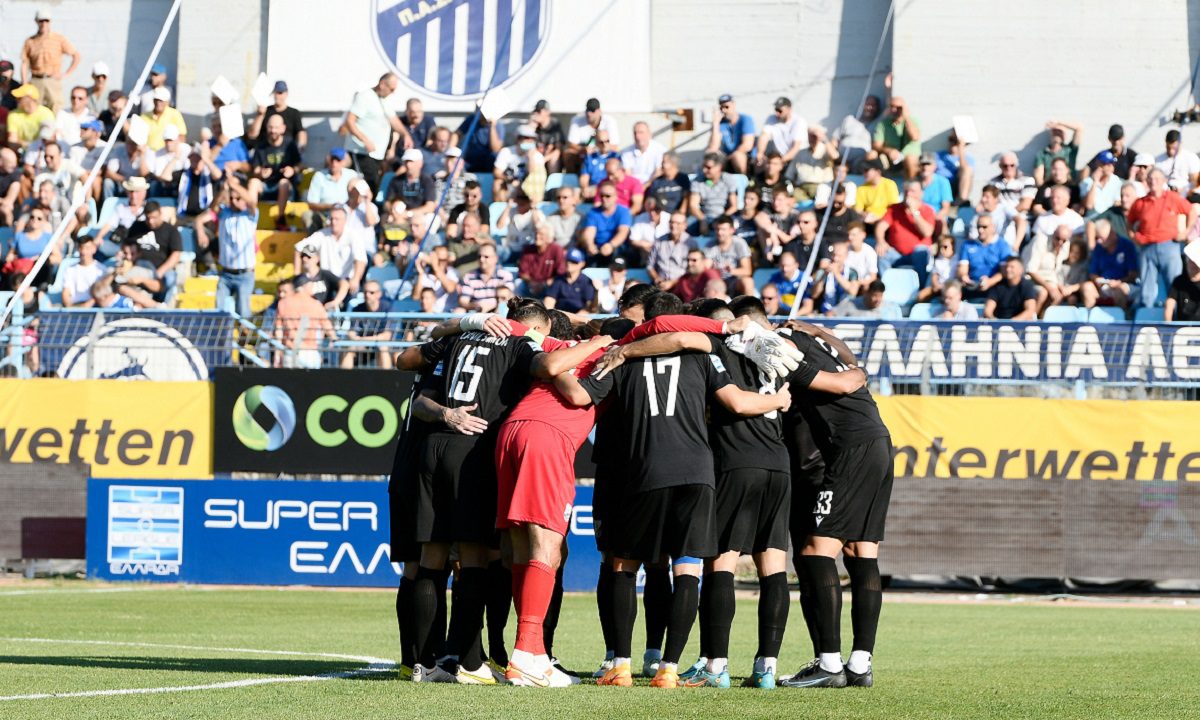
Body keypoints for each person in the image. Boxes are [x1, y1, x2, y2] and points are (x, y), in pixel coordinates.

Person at [552, 296, 793, 688]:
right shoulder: (702, 354)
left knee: (623, 565)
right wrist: (778, 400)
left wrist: (555, 368)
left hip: (643, 472)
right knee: (687, 568)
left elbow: (582, 396)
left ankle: (620, 665)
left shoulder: (621, 358)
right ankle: (668, 668)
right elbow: (733, 399)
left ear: (648, 322)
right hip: (697, 473)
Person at [773, 320, 887, 690]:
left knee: (814, 552)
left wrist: (856, 374)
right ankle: (860, 664)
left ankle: (829, 664)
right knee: (861, 551)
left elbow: (843, 383)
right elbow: (850, 366)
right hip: (879, 444)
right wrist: (822, 334)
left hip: (851, 451)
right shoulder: (830, 352)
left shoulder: (798, 364)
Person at [1129, 168, 1192, 308]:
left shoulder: (1173, 198)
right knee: (1147, 287)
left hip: (1169, 245)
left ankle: (1175, 314)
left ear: (1163, 181)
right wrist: (1133, 236)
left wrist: (1186, 231)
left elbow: (1191, 210)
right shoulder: (1140, 202)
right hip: (1147, 247)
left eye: (1157, 179)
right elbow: (1130, 221)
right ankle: (1146, 315)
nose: (1153, 182)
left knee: (1174, 283)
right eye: (1150, 179)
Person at [342, 73, 409, 192]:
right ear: (382, 84)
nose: (393, 92)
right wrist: (365, 140)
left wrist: (406, 135)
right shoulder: (364, 97)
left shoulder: (384, 100)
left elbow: (394, 120)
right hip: (361, 152)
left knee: (373, 186)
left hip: (377, 154)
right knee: (364, 187)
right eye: (391, 89)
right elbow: (350, 121)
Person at [213, 173, 260, 317]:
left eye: (238, 198)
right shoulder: (224, 213)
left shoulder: (250, 214)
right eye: (231, 198)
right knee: (218, 311)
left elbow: (251, 201)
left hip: (244, 274)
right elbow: (213, 207)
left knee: (243, 311)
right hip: (226, 273)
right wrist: (224, 189)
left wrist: (234, 185)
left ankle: (244, 332)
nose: (234, 201)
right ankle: (221, 332)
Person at [875, 180, 936, 285]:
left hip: (917, 254)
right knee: (882, 254)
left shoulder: (927, 210)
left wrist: (914, 212)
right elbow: (880, 227)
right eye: (907, 191)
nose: (908, 194)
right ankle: (886, 288)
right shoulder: (894, 209)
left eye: (912, 191)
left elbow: (927, 232)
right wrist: (881, 241)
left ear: (921, 194)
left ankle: (920, 288)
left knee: (920, 252)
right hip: (896, 253)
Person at [20, 9, 80, 113]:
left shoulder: (58, 39)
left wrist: (65, 74)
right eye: (41, 21)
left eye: (46, 21)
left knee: (56, 109)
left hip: (52, 80)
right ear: (36, 21)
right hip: (36, 80)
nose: (44, 24)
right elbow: (25, 63)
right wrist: (25, 83)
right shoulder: (30, 41)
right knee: (34, 109)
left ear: (50, 22)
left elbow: (76, 56)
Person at [252, 114, 302, 229]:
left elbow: (300, 165)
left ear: (283, 128)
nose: (273, 130)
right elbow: (255, 169)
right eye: (270, 127)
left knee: (283, 183)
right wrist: (261, 173)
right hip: (266, 186)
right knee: (253, 182)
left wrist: (292, 170)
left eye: (276, 127)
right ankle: (251, 217)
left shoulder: (290, 144)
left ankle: (280, 219)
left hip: (286, 188)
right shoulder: (261, 146)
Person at [274, 278, 336, 368]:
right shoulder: (316, 304)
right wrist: (334, 338)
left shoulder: (283, 303)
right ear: (304, 286)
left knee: (289, 377)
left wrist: (277, 354)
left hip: (291, 351)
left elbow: (279, 330)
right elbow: (327, 325)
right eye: (311, 286)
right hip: (311, 353)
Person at [1085, 219, 1139, 310]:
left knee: (1120, 290)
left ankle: (1121, 317)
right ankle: (1091, 317)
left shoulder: (1127, 246)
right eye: (1096, 238)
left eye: (1101, 238)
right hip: (1104, 286)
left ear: (1112, 234)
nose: (1099, 241)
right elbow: (1093, 273)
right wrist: (1098, 281)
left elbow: (1133, 275)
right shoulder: (1098, 248)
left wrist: (1118, 282)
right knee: (1086, 287)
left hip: (1125, 284)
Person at [342, 280, 394, 369]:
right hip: (363, 345)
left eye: (371, 292)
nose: (367, 295)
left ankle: (386, 378)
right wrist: (354, 338)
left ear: (379, 294)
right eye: (365, 292)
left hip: (379, 344)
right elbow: (352, 332)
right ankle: (344, 377)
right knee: (348, 349)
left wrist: (362, 339)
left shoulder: (388, 308)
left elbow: (386, 336)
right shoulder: (357, 309)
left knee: (383, 348)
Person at [957, 214, 1012, 299]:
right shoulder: (967, 245)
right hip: (972, 286)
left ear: (993, 227)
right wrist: (964, 276)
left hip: (995, 288)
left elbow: (1004, 272)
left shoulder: (1003, 245)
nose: (980, 230)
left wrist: (990, 282)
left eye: (984, 227)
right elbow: (962, 268)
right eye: (978, 227)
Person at [580, 181, 633, 264]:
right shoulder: (593, 212)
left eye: (608, 196)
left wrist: (611, 245)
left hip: (617, 247)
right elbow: (589, 232)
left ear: (616, 197)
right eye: (602, 196)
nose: (604, 199)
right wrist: (590, 245)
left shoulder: (623, 212)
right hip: (598, 247)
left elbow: (623, 232)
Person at [305, 148, 358, 226]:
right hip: (325, 216)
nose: (334, 163)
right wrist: (331, 207)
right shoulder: (319, 176)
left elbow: (362, 196)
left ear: (343, 162)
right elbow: (311, 204)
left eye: (338, 160)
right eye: (332, 159)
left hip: (348, 216)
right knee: (308, 216)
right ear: (328, 160)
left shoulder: (352, 175)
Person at [689, 153, 738, 237]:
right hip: (703, 215)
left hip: (724, 215)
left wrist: (720, 220)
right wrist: (703, 219)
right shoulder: (697, 181)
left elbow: (734, 206)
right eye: (703, 166)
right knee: (686, 225)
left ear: (719, 167)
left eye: (708, 167)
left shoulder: (729, 179)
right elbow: (693, 205)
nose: (704, 170)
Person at [249, 80, 307, 151]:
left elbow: (301, 132)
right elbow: (252, 135)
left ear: (286, 94)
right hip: (266, 151)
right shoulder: (265, 111)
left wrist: (300, 148)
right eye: (275, 93)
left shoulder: (294, 113)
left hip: (287, 152)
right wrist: (260, 115)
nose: (277, 96)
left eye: (280, 93)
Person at [872, 95, 921, 179]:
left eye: (898, 108)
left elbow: (915, 137)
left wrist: (906, 117)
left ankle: (911, 184)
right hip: (890, 158)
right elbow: (876, 145)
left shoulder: (913, 121)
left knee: (910, 159)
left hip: (907, 157)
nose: (894, 110)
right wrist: (889, 151)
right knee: (871, 155)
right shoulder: (883, 123)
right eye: (891, 106)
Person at [566, 97, 620, 172]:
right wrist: (583, 150)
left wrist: (597, 150)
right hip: (583, 154)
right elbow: (571, 144)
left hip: (603, 154)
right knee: (568, 154)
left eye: (592, 110)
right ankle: (573, 176)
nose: (589, 113)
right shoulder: (576, 120)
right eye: (587, 110)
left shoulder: (610, 121)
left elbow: (614, 146)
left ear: (599, 111)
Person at [705, 215, 754, 296]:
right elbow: (706, 267)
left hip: (735, 280)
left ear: (732, 230)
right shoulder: (710, 244)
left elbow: (747, 271)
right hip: (717, 281)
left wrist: (731, 271)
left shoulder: (740, 243)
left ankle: (750, 304)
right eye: (717, 229)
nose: (719, 232)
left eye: (723, 229)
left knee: (748, 281)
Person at [831, 94, 880, 173]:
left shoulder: (877, 123)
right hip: (841, 159)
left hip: (861, 161)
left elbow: (889, 109)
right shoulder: (850, 119)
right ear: (862, 105)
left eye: (873, 105)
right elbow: (835, 138)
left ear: (877, 108)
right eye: (867, 104)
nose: (870, 107)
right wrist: (835, 155)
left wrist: (888, 89)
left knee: (873, 154)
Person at [707, 94, 756, 174]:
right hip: (727, 157)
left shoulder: (745, 119)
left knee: (738, 156)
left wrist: (729, 157)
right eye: (721, 108)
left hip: (745, 157)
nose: (724, 110)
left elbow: (747, 145)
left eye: (726, 107)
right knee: (710, 155)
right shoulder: (721, 123)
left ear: (734, 105)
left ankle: (744, 180)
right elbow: (713, 147)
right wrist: (715, 124)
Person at [458, 243, 515, 312]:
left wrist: (490, 306)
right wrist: (477, 306)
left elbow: (508, 298)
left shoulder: (505, 275)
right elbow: (463, 301)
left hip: (499, 311)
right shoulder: (469, 276)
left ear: (495, 258)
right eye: (479, 256)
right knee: (459, 311)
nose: (481, 259)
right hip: (477, 312)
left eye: (486, 257)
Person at [757, 96, 807, 169]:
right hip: (779, 158)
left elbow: (796, 147)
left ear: (789, 109)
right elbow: (764, 136)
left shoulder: (799, 122)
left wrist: (779, 162)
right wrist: (760, 153)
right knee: (759, 165)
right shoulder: (772, 118)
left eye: (780, 110)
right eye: (776, 110)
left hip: (797, 159)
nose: (777, 113)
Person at [518, 222, 566, 296]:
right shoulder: (528, 249)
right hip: (531, 284)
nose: (537, 236)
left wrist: (544, 284)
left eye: (541, 234)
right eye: (536, 233)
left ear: (549, 237)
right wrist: (531, 283)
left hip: (548, 285)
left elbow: (560, 273)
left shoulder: (557, 249)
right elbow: (523, 272)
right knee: (518, 284)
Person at [791, 127, 838, 202]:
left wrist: (824, 138)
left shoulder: (826, 150)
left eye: (815, 136)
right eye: (810, 136)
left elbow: (835, 156)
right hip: (802, 187)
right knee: (791, 196)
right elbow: (790, 174)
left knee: (821, 196)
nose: (812, 139)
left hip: (820, 187)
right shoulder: (801, 153)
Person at [544, 248, 596, 313]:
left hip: (580, 317)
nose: (569, 263)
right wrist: (549, 314)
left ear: (582, 264)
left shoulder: (586, 281)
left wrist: (576, 317)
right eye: (567, 260)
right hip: (560, 315)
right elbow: (549, 300)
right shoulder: (559, 279)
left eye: (574, 262)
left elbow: (589, 306)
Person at [1032, 119, 1083, 186]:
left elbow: (1079, 128)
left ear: (1064, 136)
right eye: (1055, 131)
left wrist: (1059, 122)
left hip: (1069, 187)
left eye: (1060, 132)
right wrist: (1043, 190)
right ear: (1051, 134)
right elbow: (1038, 177)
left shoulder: (1070, 150)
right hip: (1050, 187)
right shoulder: (1042, 154)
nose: (1057, 134)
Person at [61, 235, 105, 307]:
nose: (83, 252)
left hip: (94, 307)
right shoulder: (69, 269)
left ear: (94, 249)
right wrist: (69, 308)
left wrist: (87, 305)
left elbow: (102, 293)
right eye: (81, 248)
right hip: (74, 306)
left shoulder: (102, 269)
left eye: (87, 248)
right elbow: (66, 292)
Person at [6, 84, 55, 149]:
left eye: (19, 98)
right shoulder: (13, 114)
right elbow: (12, 142)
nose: (16, 100)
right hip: (21, 151)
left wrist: (23, 143)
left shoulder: (46, 113)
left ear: (30, 99)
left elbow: (47, 139)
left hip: (41, 150)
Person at [412, 245, 459, 312]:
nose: (443, 263)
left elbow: (450, 288)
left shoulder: (452, 272)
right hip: (429, 314)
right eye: (440, 260)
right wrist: (421, 274)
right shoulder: (424, 273)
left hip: (448, 314)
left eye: (445, 260)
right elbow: (416, 297)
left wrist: (436, 267)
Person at [579, 130, 621, 202]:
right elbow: (584, 176)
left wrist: (599, 189)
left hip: (610, 187)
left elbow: (618, 177)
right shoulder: (590, 157)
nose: (604, 144)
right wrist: (584, 188)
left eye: (607, 141)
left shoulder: (616, 157)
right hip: (592, 187)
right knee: (574, 195)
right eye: (601, 142)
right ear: (596, 143)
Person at [1154, 129, 1200, 195]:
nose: (1171, 151)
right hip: (1165, 194)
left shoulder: (1190, 157)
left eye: (1174, 148)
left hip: (1186, 194)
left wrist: (1184, 190)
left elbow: (1195, 181)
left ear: (1180, 143)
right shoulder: (1158, 160)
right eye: (1168, 148)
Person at [853, 159, 899, 224]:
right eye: (864, 171)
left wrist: (878, 217)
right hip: (867, 220)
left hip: (885, 220)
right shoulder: (861, 188)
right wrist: (865, 215)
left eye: (867, 170)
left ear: (877, 171)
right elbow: (858, 210)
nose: (864, 173)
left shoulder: (889, 184)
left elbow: (893, 207)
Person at [141, 86, 187, 152]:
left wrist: (175, 152)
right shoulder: (144, 117)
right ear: (153, 100)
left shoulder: (175, 114)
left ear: (167, 102)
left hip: (168, 153)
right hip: (148, 152)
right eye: (156, 100)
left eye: (161, 101)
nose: (158, 103)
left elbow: (182, 136)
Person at [621, 121, 666, 187]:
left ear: (649, 134)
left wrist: (644, 186)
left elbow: (658, 172)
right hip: (633, 187)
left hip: (653, 186)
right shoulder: (626, 152)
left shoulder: (660, 150)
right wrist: (637, 189)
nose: (637, 136)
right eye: (635, 133)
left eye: (641, 132)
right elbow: (627, 174)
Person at [935, 130, 974, 204]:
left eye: (956, 141)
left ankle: (961, 201)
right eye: (951, 139)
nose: (952, 143)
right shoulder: (938, 155)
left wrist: (961, 149)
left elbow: (965, 170)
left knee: (967, 170)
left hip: (955, 186)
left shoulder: (968, 158)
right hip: (940, 185)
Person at [831, 279, 901, 319]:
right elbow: (830, 315)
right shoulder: (851, 304)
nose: (878, 299)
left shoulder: (890, 308)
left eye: (880, 296)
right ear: (867, 293)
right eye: (875, 295)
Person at [1164, 243, 1200, 321]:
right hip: (1182, 326)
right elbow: (1169, 304)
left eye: (1194, 263)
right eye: (1190, 261)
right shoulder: (1179, 281)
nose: (1192, 265)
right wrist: (1168, 325)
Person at [529, 99, 565, 173]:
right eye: (535, 111)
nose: (536, 114)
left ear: (547, 112)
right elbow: (528, 145)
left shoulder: (555, 125)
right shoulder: (535, 127)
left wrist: (544, 159)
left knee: (554, 158)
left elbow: (558, 149)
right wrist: (532, 127)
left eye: (539, 111)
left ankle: (552, 180)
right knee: (531, 155)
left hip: (551, 157)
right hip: (538, 155)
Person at [918, 152, 953, 221]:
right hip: (918, 216)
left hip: (936, 217)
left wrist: (932, 220)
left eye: (928, 164)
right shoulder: (914, 182)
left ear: (935, 166)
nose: (925, 167)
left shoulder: (943, 182)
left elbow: (945, 208)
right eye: (923, 164)